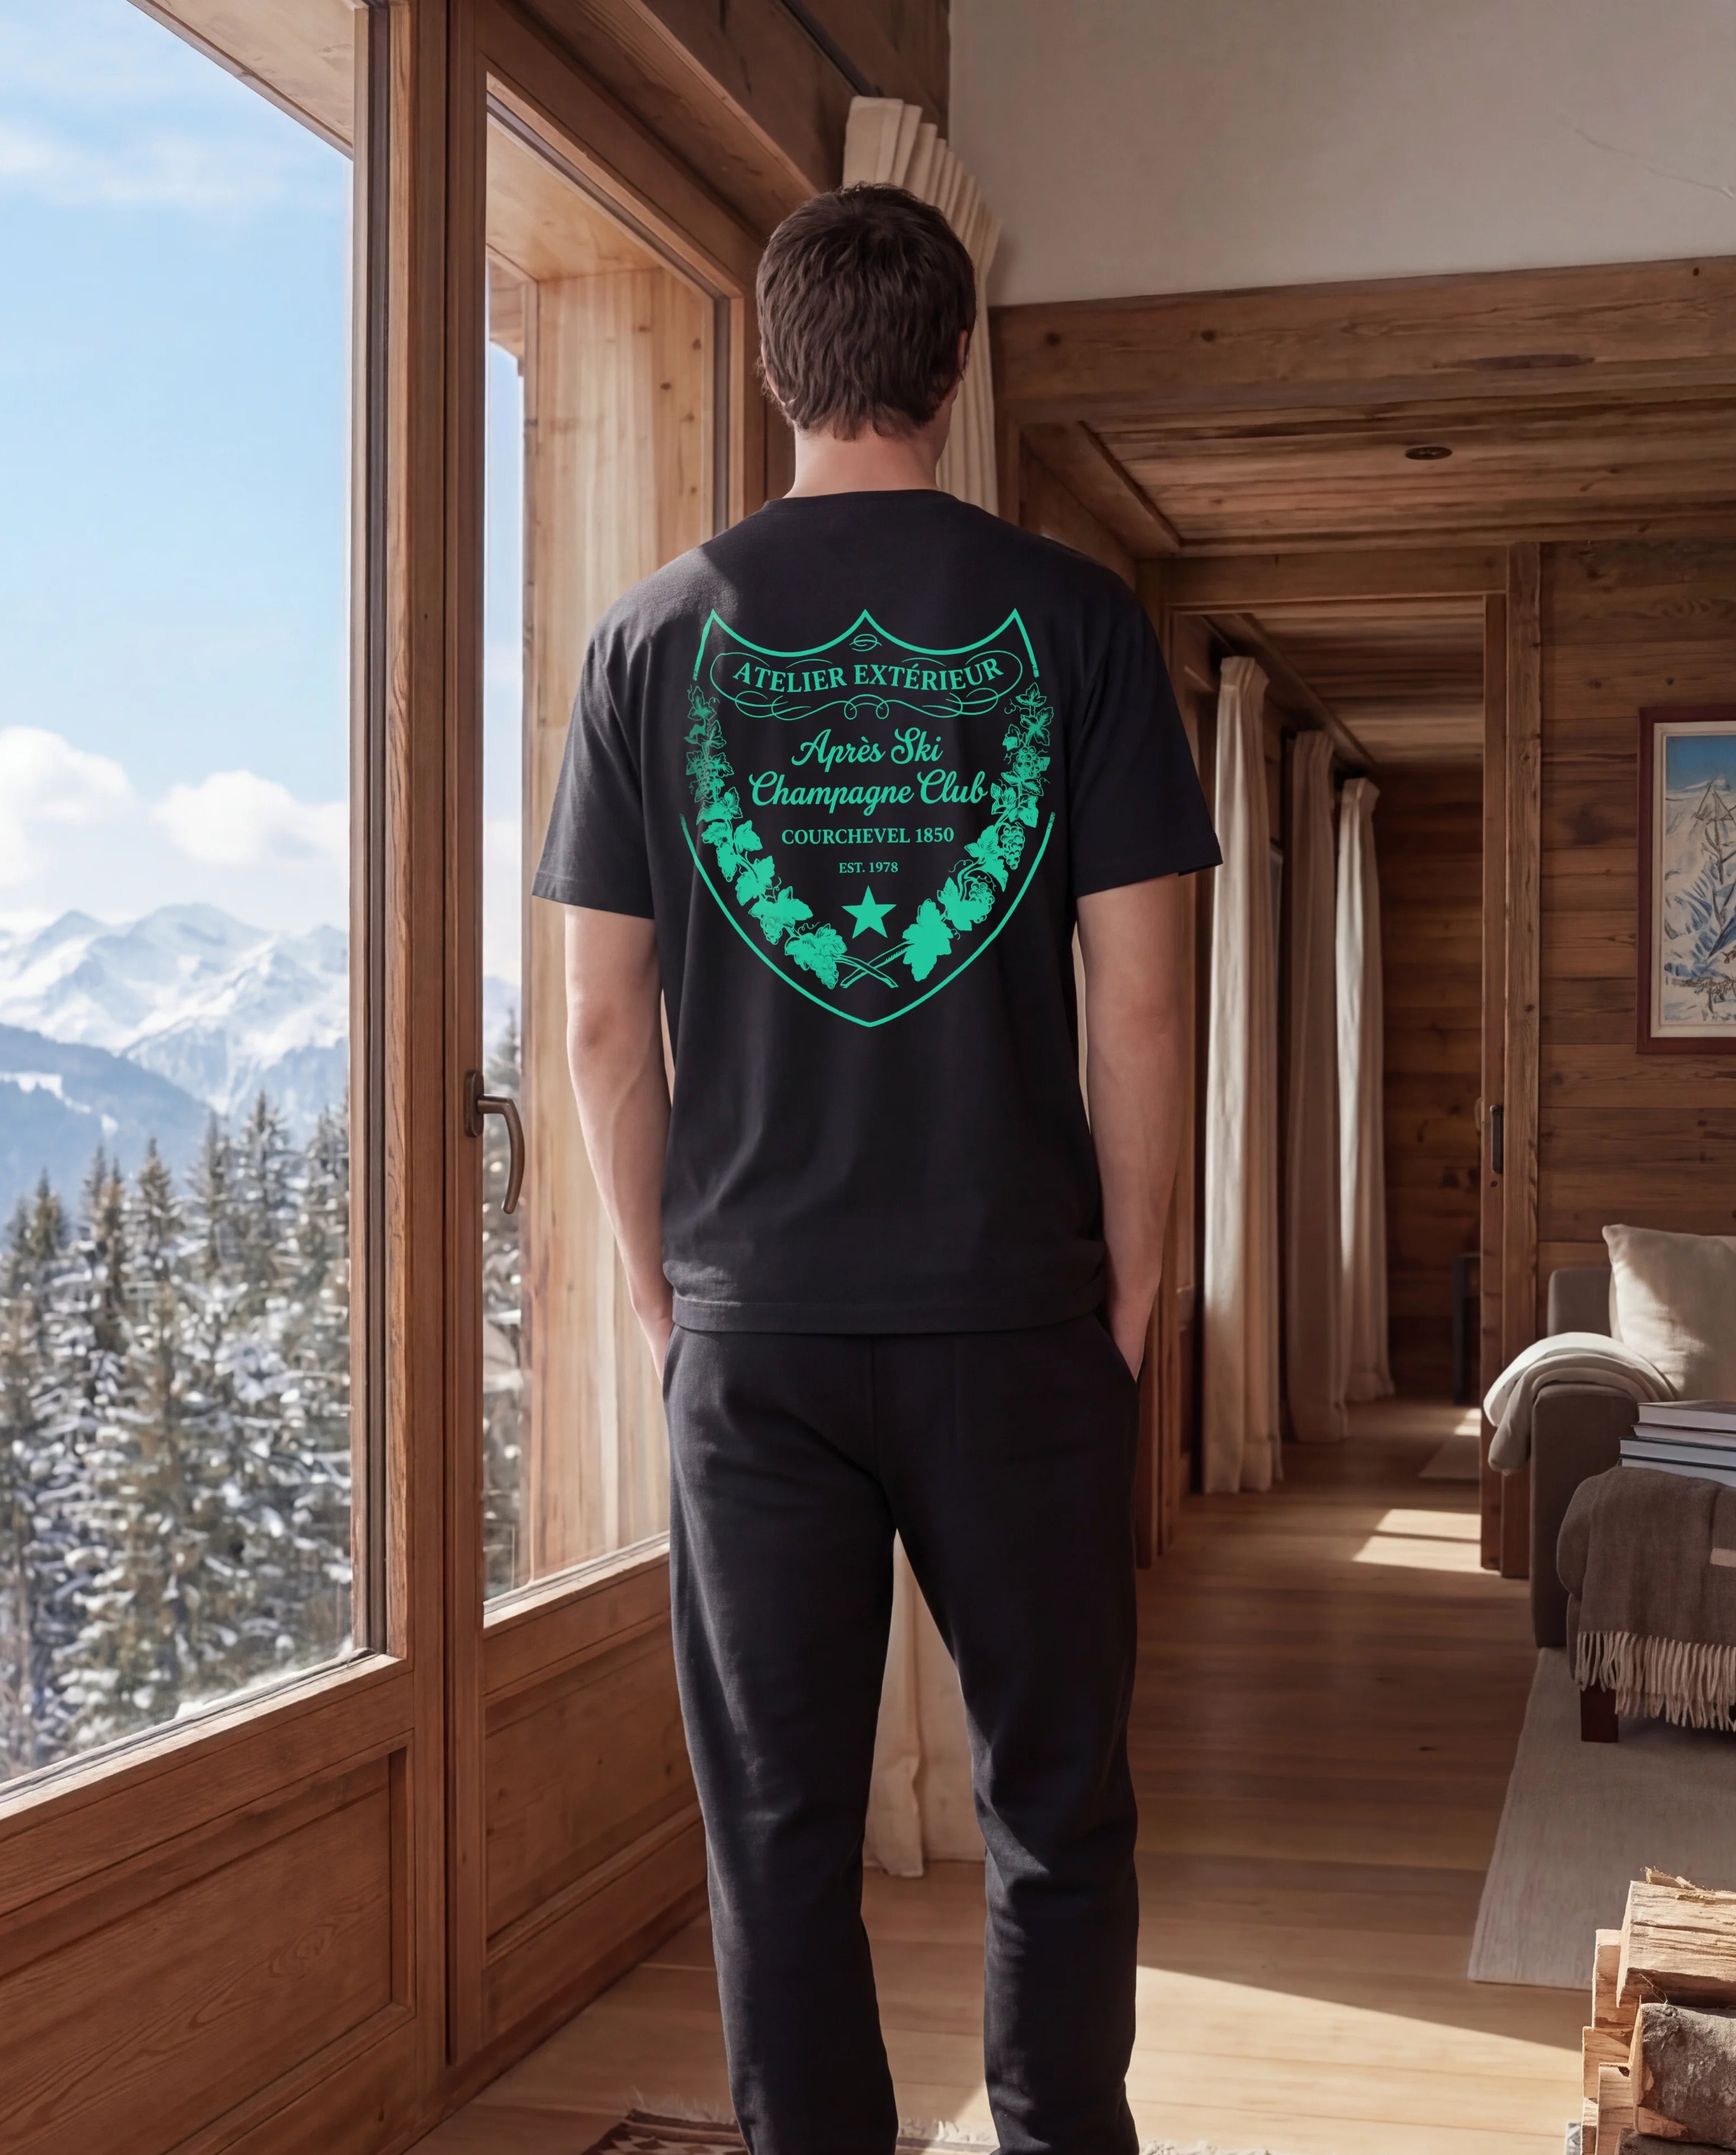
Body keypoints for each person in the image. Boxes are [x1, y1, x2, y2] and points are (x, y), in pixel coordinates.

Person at [532, 183, 1220, 2155]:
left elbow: (597, 1026)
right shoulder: (1077, 623)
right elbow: (1145, 1009)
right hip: (1016, 1319)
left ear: (775, 368)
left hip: (754, 1341)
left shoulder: (647, 639)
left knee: (777, 1835)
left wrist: (673, 1300)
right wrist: (1136, 1287)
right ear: (954, 364)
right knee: (1056, 1807)